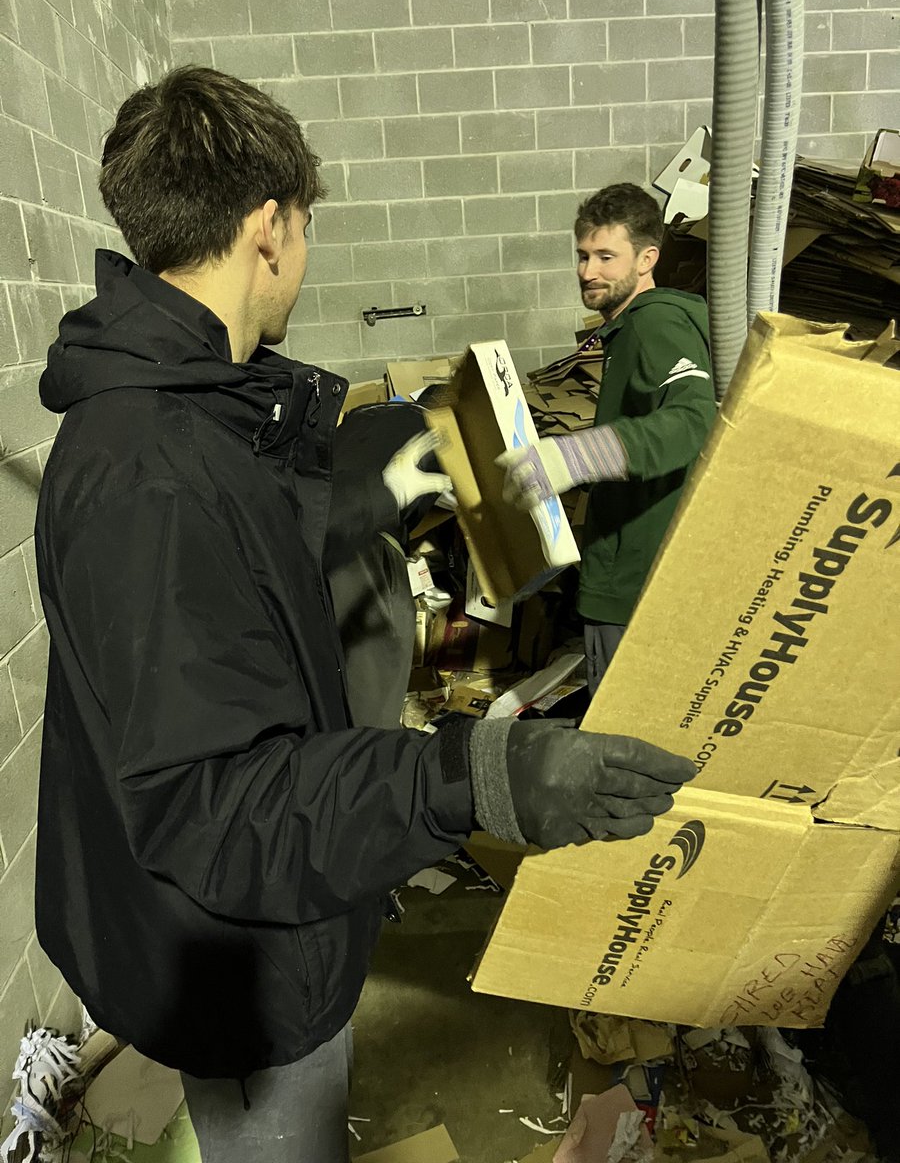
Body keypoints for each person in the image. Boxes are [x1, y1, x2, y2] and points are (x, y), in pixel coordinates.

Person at [33, 69, 696, 1163]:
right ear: (268, 229)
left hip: (247, 929)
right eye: (304, 224)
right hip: (233, 964)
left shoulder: (185, 406)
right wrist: (476, 775)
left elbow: (250, 520)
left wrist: (398, 460)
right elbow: (223, 804)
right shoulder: (149, 478)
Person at [498, 183, 716, 694]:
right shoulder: (629, 329)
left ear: (647, 259)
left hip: (634, 583)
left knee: (621, 739)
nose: (587, 272)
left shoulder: (656, 325)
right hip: (632, 572)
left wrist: (575, 456)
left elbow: (692, 421)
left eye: (606, 257)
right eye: (582, 255)